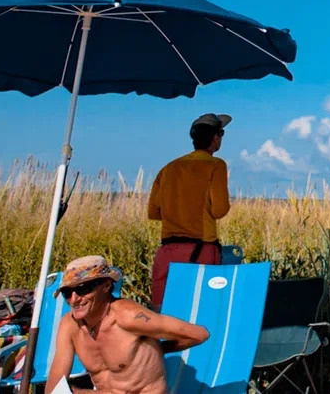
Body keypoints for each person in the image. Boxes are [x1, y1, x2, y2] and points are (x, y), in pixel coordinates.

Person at [46, 255, 209, 394]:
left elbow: (199, 334)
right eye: (67, 293)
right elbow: (55, 385)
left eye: (83, 289)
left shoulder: (131, 317)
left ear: (106, 286)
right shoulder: (70, 325)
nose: (74, 299)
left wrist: (161, 348)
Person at [146, 113, 232, 310]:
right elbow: (219, 210)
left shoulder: (169, 168)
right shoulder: (216, 165)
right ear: (216, 138)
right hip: (201, 250)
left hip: (166, 251)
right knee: (203, 312)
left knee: (162, 312)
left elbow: (153, 212)